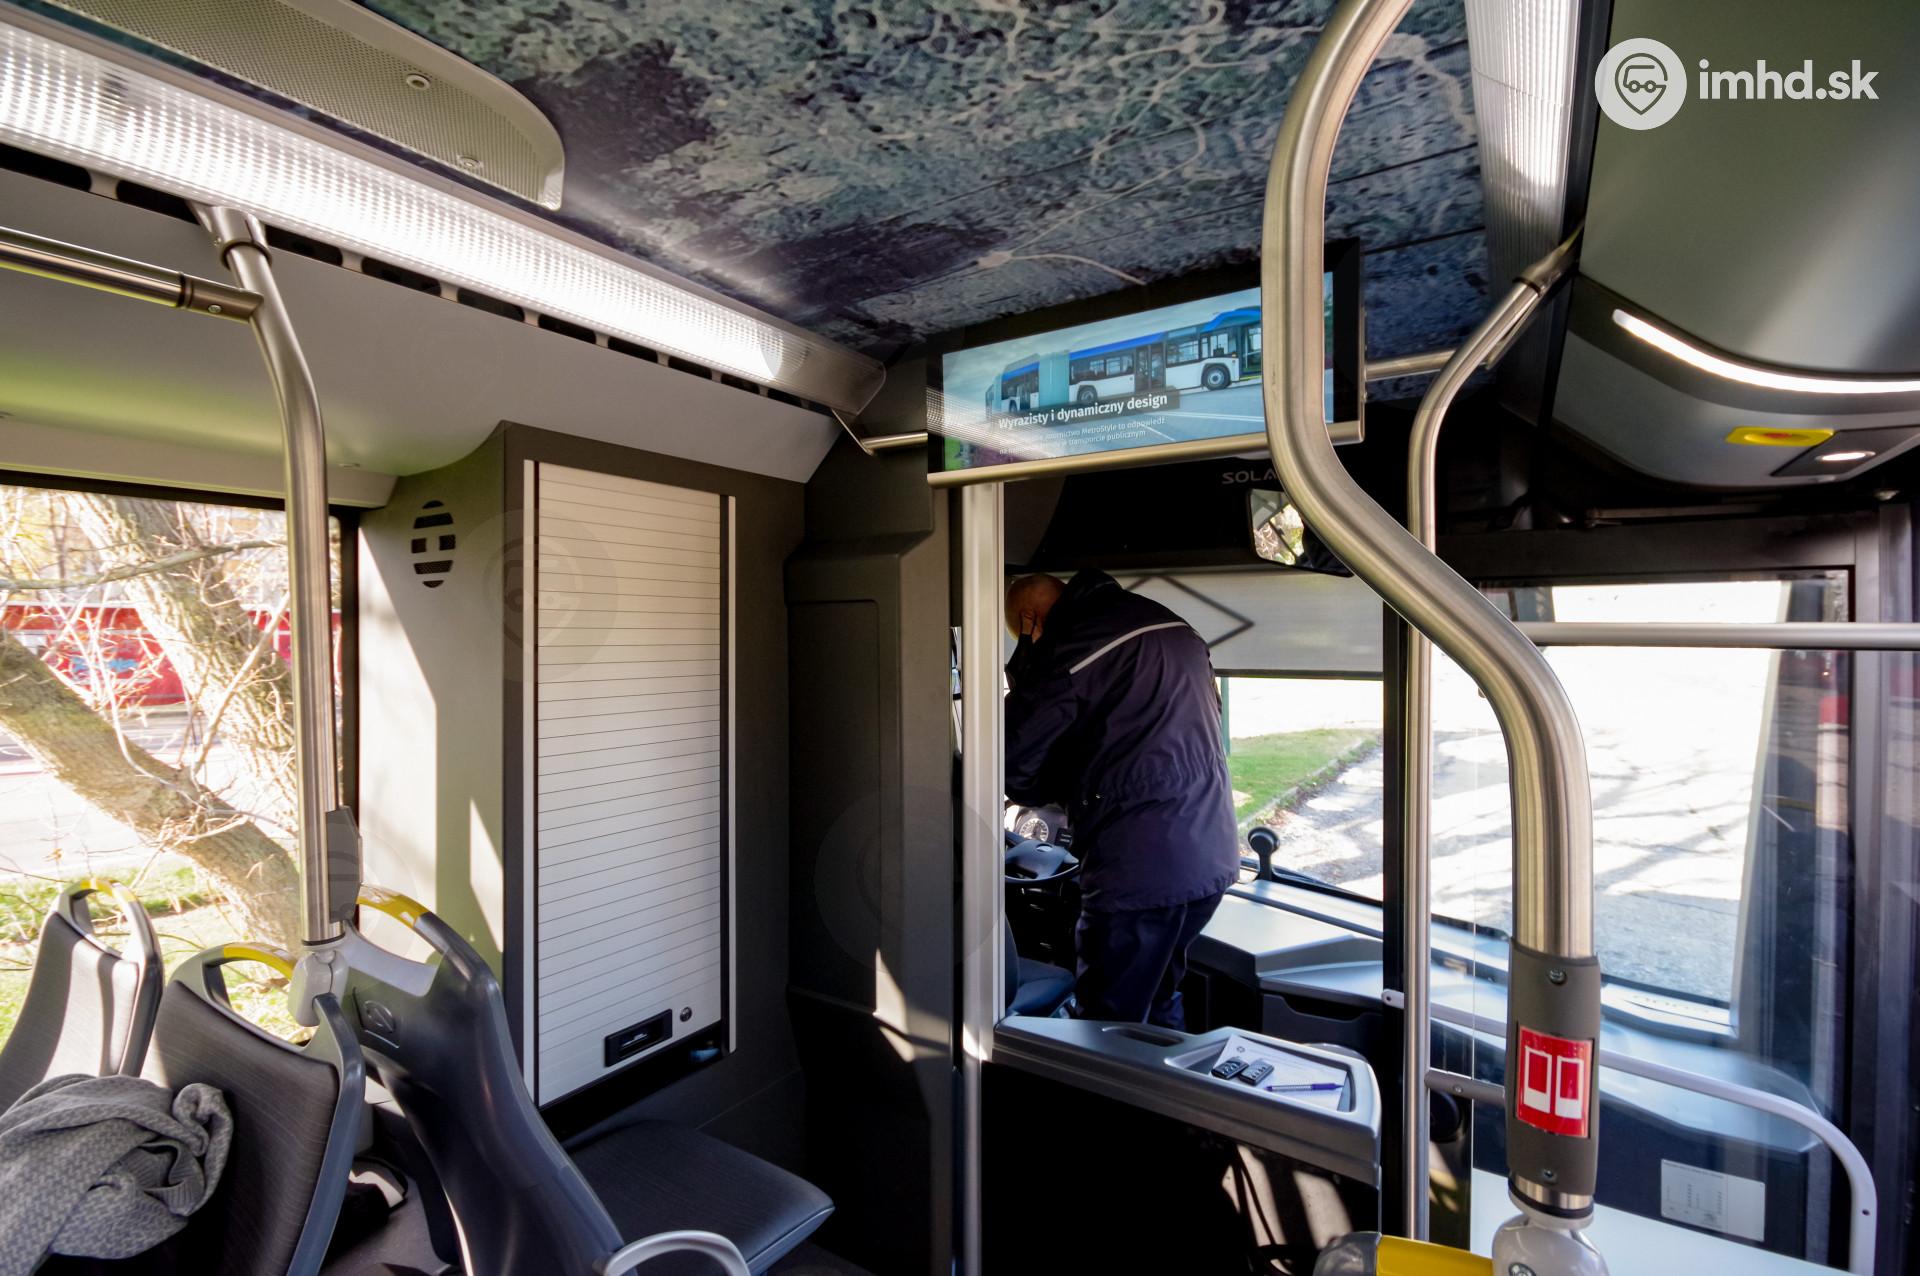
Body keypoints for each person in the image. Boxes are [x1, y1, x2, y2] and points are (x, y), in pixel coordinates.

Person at [1004, 570, 1240, 1030]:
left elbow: (1013, 759)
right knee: (1157, 998)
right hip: (1209, 852)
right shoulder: (1168, 623)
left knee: (1106, 1023)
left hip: (1141, 867)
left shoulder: (1072, 646)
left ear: (1031, 621)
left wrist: (1063, 793)